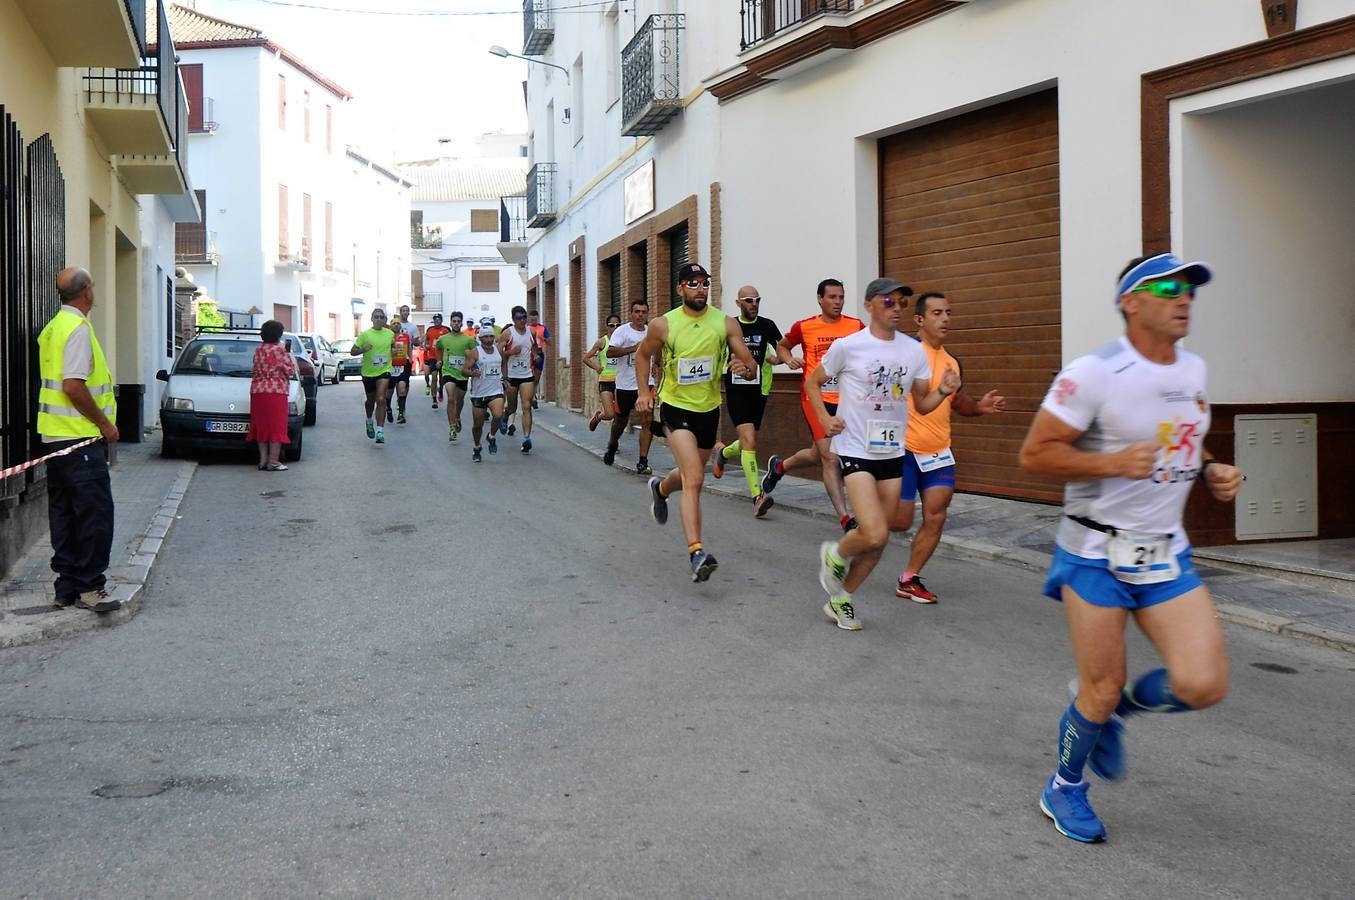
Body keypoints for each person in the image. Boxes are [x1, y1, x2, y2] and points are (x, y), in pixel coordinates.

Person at [1018, 253, 1241, 844]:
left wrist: (1214, 469)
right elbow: (1035, 455)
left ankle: (1120, 713)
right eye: (1169, 286)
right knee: (1100, 683)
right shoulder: (1093, 372)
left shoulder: (1192, 369)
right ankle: (1063, 786)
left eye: (1191, 287)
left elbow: (1183, 443)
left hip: (1165, 551)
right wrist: (1111, 461)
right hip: (1094, 551)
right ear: (1131, 301)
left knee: (1203, 684)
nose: (1184, 295)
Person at [809, 278, 960, 632]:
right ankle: (836, 553)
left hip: (892, 452)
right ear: (870, 305)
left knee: (880, 539)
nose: (896, 309)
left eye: (902, 304)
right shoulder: (849, 346)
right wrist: (825, 419)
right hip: (856, 448)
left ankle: (841, 598)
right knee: (874, 533)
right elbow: (813, 382)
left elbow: (922, 405)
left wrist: (942, 390)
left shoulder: (912, 351)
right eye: (889, 302)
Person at [637, 263, 757, 583]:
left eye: (704, 283)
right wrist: (644, 392)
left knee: (691, 473)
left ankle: (661, 488)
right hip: (675, 408)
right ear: (680, 289)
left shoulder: (725, 322)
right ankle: (696, 552)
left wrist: (746, 368)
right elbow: (642, 355)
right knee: (694, 480)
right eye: (693, 283)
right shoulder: (664, 325)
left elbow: (750, 365)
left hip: (708, 409)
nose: (700, 289)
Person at [888, 292, 1007, 603]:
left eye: (948, 313)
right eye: (938, 313)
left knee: (936, 516)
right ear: (919, 320)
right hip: (904, 450)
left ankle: (909, 578)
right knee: (899, 522)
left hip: (938, 451)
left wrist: (979, 406)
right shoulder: (907, 354)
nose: (946, 319)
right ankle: (865, 523)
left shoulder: (953, 361)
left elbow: (958, 402)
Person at [36, 267, 120, 613]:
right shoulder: (77, 329)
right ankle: (89, 587)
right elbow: (73, 386)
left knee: (64, 513)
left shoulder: (53, 327)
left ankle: (66, 586)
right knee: (94, 514)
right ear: (86, 291)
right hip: (80, 440)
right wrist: (105, 425)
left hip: (55, 438)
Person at [761, 278, 866, 533]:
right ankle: (845, 518)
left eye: (841, 297)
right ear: (820, 298)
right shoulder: (805, 326)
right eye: (832, 297)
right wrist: (788, 360)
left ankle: (780, 467)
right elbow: (783, 346)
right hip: (815, 398)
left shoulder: (855, 326)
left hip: (847, 401)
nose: (837, 302)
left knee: (816, 453)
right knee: (830, 458)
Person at [711, 285, 786, 518]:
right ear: (738, 303)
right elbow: (717, 355)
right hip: (736, 390)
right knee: (749, 440)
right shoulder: (730, 326)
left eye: (757, 300)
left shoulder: (767, 325)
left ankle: (723, 454)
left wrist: (787, 359)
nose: (754, 304)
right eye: (749, 300)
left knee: (748, 442)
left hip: (759, 389)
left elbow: (781, 349)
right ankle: (757, 496)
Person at [603, 300, 656, 472]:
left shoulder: (651, 332)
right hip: (626, 385)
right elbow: (610, 352)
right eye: (637, 311)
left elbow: (659, 353)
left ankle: (643, 461)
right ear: (631, 314)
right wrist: (633, 348)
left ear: (647, 314)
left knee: (647, 421)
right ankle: (612, 445)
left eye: (643, 312)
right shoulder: (622, 331)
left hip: (646, 385)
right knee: (620, 421)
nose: (640, 315)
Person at [248, 320, 297, 471]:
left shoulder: (259, 350)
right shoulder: (280, 351)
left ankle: (262, 461)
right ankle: (273, 461)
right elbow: (290, 371)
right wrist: (289, 356)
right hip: (276, 392)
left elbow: (254, 369)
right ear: (278, 335)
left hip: (257, 391)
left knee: (261, 427)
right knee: (276, 427)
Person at [498, 305, 539, 454]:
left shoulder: (531, 332)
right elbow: (498, 354)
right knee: (512, 408)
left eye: (524, 317)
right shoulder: (508, 334)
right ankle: (504, 417)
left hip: (527, 374)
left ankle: (526, 438)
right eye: (518, 318)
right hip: (512, 375)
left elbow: (534, 347)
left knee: (526, 405)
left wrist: (536, 355)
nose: (522, 320)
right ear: (513, 319)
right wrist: (510, 352)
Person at [350, 308, 394, 444]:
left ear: (385, 320)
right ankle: (369, 421)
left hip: (384, 370)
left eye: (381, 317)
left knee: (381, 399)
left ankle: (380, 430)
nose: (379, 319)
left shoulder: (390, 334)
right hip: (368, 372)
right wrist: (363, 349)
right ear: (372, 319)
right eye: (376, 317)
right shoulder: (365, 335)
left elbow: (394, 348)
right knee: (370, 401)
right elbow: (352, 352)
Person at [464, 327, 506, 463]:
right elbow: (464, 370)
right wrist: (472, 373)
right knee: (478, 426)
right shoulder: (475, 353)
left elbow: (504, 363)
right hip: (479, 394)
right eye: (485, 337)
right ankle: (477, 447)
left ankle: (492, 436)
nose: (489, 340)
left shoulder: (498, 351)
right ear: (480, 339)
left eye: (491, 337)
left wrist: (506, 379)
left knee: (499, 415)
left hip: (496, 391)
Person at [435, 311, 476, 442]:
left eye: (458, 321)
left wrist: (471, 360)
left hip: (462, 374)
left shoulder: (468, 340)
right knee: (451, 398)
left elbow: (476, 353)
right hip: (448, 372)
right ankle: (452, 427)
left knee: (459, 400)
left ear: (461, 323)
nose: (456, 323)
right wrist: (439, 360)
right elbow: (438, 348)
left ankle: (457, 416)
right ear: (451, 322)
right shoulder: (444, 339)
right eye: (454, 321)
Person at [584, 313, 623, 432]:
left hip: (621, 382)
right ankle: (598, 417)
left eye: (618, 325)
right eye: (612, 325)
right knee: (610, 414)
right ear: (607, 327)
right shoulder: (602, 342)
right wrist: (597, 367)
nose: (615, 328)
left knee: (619, 415)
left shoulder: (623, 342)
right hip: (605, 381)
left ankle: (614, 443)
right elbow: (586, 358)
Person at [390, 305, 418, 424]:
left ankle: (401, 409)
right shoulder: (389, 331)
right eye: (403, 311)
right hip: (392, 363)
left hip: (405, 360)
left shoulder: (412, 327)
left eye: (407, 311)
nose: (405, 313)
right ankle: (389, 407)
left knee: (403, 386)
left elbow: (415, 342)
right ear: (400, 312)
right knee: (390, 389)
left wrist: (411, 358)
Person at [423, 312, 451, 408]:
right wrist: (426, 346)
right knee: (434, 377)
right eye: (435, 320)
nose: (437, 321)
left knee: (442, 378)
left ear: (441, 320)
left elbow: (451, 340)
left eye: (438, 319)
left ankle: (441, 389)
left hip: (443, 357)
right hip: (433, 357)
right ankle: (434, 400)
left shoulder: (446, 330)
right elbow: (426, 341)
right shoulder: (430, 330)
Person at [528, 309, 551, 410]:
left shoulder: (542, 328)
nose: (533, 322)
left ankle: (533, 395)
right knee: (530, 376)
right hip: (528, 354)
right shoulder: (526, 328)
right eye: (532, 320)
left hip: (540, 353)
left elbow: (550, 341)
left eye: (535, 320)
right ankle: (532, 398)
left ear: (538, 318)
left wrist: (543, 338)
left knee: (536, 378)